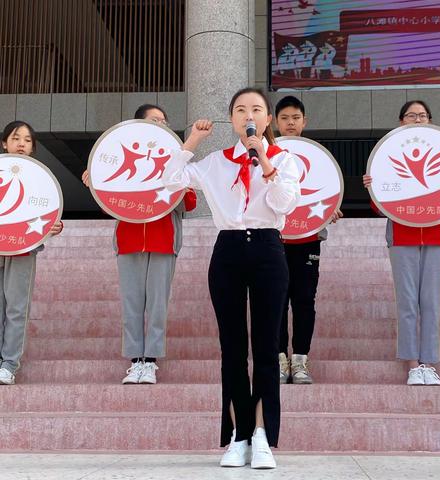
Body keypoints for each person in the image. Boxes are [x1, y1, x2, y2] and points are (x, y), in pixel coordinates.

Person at [161, 87, 300, 469]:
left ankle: (262, 436)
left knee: (267, 345)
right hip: (228, 250)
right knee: (233, 349)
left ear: (267, 119)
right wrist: (191, 140)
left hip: (270, 248)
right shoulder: (217, 162)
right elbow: (172, 180)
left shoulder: (286, 160)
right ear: (233, 119)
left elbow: (284, 203)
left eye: (256, 109)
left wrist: (265, 161)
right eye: (240, 110)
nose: (248, 115)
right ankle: (238, 436)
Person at [363, 100, 440, 386]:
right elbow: (380, 207)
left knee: (430, 301)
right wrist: (373, 188)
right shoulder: (388, 155)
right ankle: (413, 364)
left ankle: (429, 363)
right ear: (401, 121)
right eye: (411, 115)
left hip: (436, 234)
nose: (417, 119)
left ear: (430, 120)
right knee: (408, 302)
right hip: (402, 235)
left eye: (422, 115)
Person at [82, 104, 197, 384]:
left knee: (157, 305)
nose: (161, 124)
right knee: (132, 304)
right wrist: (95, 184)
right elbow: (109, 206)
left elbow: (190, 203)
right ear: (139, 126)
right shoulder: (124, 161)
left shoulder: (177, 161)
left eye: (164, 120)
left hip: (163, 240)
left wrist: (178, 182)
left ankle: (151, 361)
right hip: (129, 241)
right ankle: (135, 361)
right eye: (154, 120)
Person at [275, 95, 342, 384]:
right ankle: (279, 360)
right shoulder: (265, 154)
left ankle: (300, 361)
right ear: (274, 122)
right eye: (285, 118)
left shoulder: (318, 156)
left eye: (296, 118)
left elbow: (328, 193)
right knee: (275, 301)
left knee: (304, 301)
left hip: (308, 240)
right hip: (273, 241)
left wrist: (330, 209)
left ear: (304, 121)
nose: (290, 123)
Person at [0, 121, 64, 385]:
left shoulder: (40, 178)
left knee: (16, 308)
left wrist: (52, 226)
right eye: (16, 138)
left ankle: (9, 364)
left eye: (27, 140)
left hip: (23, 249)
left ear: (33, 148)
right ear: (5, 143)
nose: (22, 144)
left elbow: (45, 213)